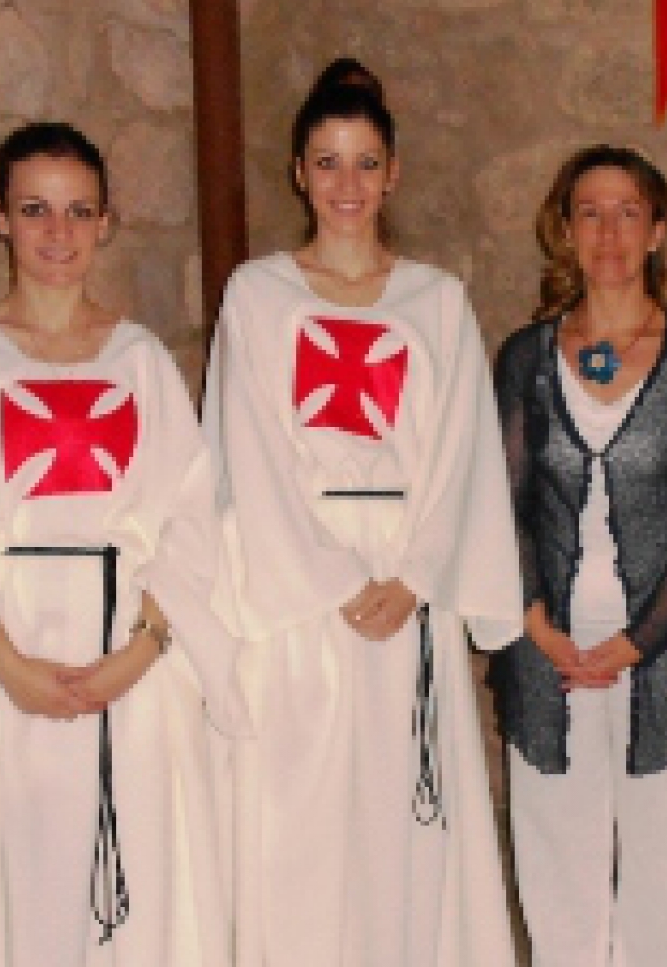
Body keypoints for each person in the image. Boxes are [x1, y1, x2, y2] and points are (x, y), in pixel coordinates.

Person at [0, 121, 246, 965]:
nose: (58, 233)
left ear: (105, 222)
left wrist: (137, 655)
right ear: (0, 218)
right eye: (35, 210)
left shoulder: (141, 362)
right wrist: (13, 669)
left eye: (78, 211)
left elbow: (190, 524)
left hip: (129, 677)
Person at [205, 72, 523, 965]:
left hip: (406, 592)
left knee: (403, 832)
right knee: (300, 834)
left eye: (366, 162)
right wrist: (335, 576)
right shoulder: (259, 296)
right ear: (298, 173)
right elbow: (246, 450)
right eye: (328, 162)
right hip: (299, 596)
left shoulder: (437, 300)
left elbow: (463, 451)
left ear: (394, 174)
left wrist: (417, 575)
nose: (347, 184)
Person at [489, 144, 667, 966]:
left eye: (628, 213)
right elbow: (504, 505)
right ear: (564, 229)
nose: (609, 233)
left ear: (658, 230)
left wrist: (633, 644)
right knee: (557, 873)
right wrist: (537, 627)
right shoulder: (526, 358)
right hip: (546, 648)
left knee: (662, 877)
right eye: (589, 212)